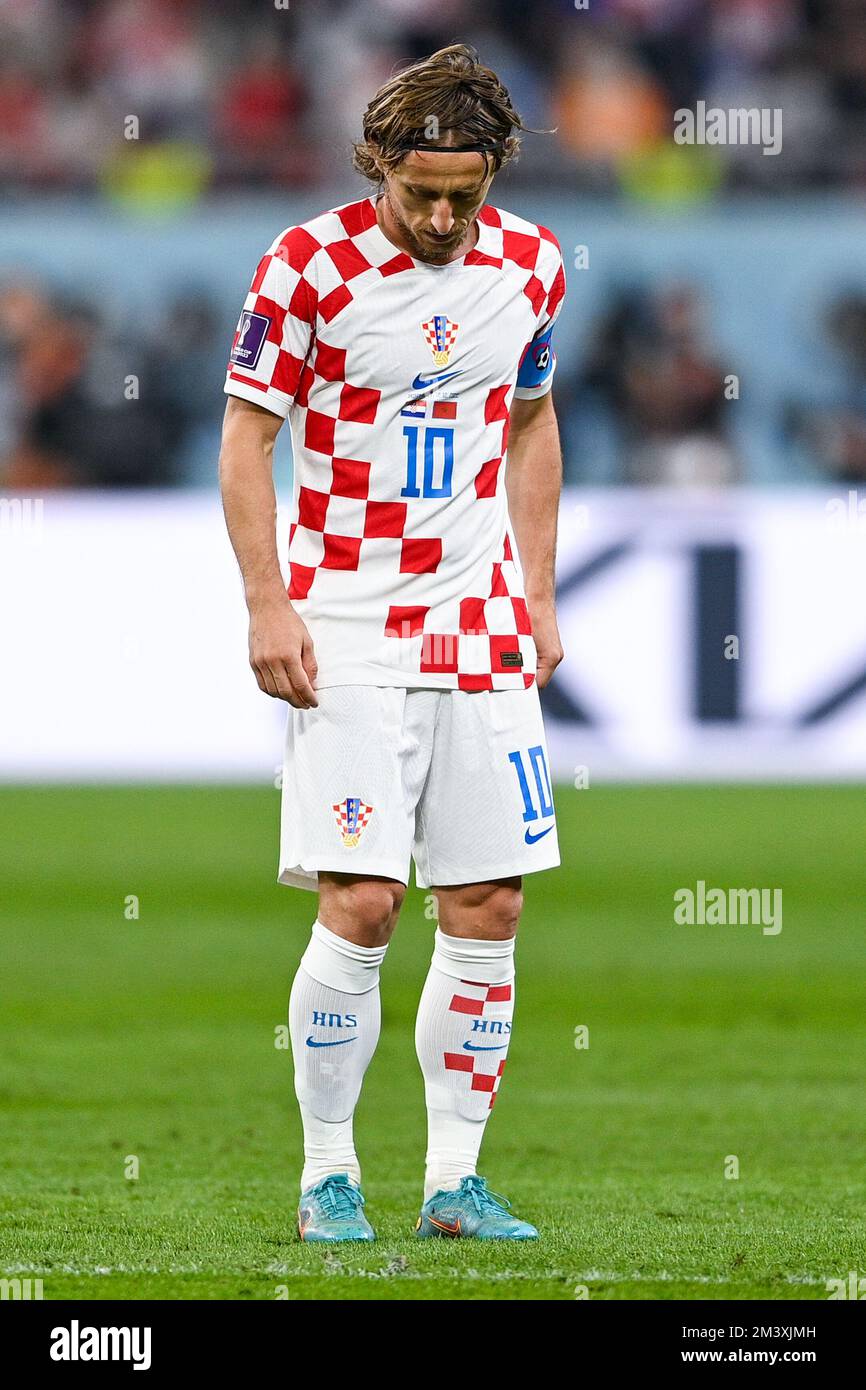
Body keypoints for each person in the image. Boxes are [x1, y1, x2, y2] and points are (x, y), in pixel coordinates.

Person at [219, 43, 565, 1243]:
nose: (439, 215)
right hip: (346, 627)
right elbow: (245, 440)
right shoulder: (306, 265)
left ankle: (452, 1184)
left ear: (493, 177)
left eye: (463, 195)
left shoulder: (529, 266)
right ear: (376, 164)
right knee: (363, 901)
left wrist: (538, 592)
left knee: (488, 904)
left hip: (475, 626)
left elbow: (529, 420)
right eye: (419, 192)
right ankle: (328, 1174)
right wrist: (268, 599)